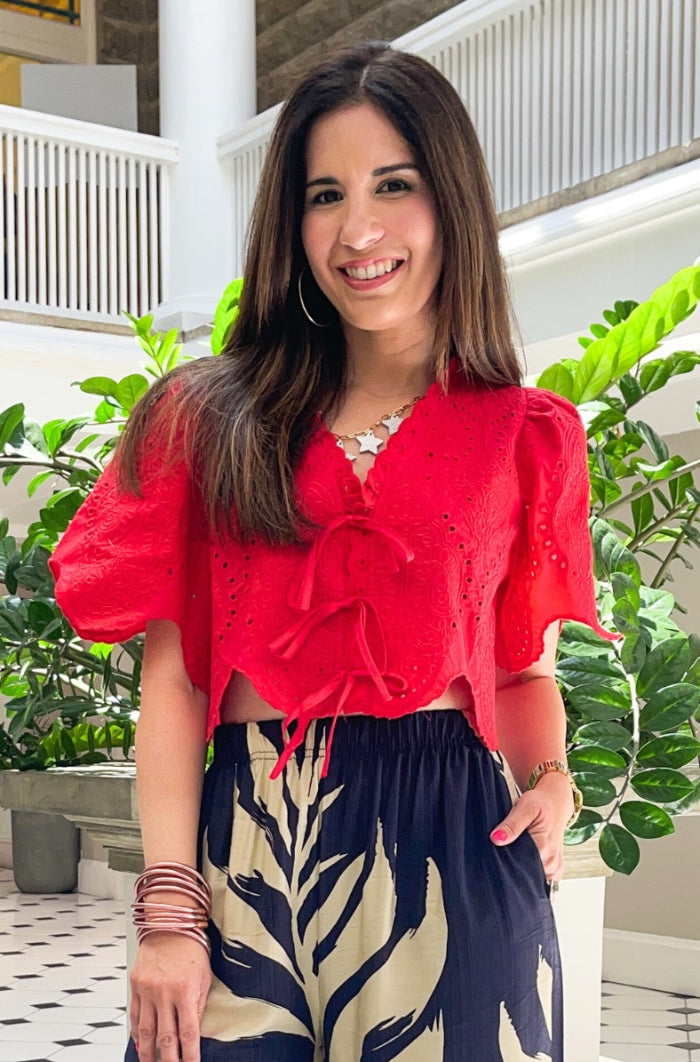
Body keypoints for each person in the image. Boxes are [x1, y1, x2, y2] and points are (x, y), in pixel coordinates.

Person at [49, 40, 618, 1062]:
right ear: (292, 222)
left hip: (457, 854)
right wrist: (169, 912)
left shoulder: (526, 435)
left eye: (393, 184)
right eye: (325, 195)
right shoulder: (204, 419)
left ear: (450, 199)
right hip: (246, 849)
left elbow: (520, 669)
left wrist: (554, 779)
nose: (358, 230)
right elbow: (175, 684)